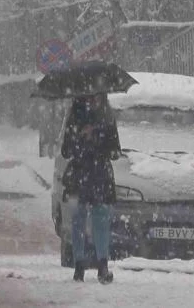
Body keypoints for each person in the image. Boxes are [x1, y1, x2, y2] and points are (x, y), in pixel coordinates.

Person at [61, 93, 121, 284]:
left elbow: (115, 152)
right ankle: (79, 265)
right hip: (80, 174)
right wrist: (80, 136)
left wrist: (97, 138)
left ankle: (102, 265)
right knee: (78, 217)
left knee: (101, 217)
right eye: (89, 97)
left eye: (97, 97)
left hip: (100, 175)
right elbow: (66, 150)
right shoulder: (75, 117)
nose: (93, 100)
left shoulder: (107, 119)